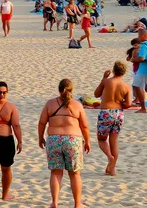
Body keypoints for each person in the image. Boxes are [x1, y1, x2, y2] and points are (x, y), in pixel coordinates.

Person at [38, 79, 91, 208]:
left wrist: (41, 137)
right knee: (75, 173)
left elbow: (42, 123)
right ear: (71, 91)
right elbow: (84, 126)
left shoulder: (50, 104)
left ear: (59, 89)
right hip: (72, 140)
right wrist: (87, 141)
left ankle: (55, 202)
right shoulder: (77, 105)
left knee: (56, 172)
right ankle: (77, 204)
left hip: (54, 139)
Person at [93, 61, 131, 175]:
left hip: (106, 112)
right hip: (118, 113)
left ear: (113, 70)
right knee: (114, 141)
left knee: (101, 140)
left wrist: (103, 78)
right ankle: (112, 169)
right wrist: (119, 104)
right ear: (124, 73)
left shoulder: (106, 81)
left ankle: (110, 157)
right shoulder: (126, 86)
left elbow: (96, 94)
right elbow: (128, 104)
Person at [131, 29, 147, 113]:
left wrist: (133, 59)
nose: (138, 37)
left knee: (137, 86)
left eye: (139, 35)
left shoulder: (144, 45)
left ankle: (143, 108)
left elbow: (142, 58)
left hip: (144, 70)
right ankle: (143, 107)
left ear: (144, 36)